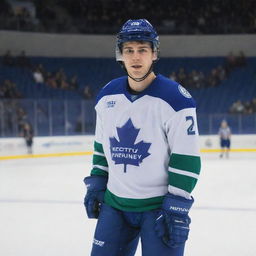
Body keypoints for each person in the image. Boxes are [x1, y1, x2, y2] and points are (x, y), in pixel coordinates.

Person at [83, 19, 201, 256]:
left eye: (142, 50)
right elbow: (100, 146)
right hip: (114, 206)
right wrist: (97, 182)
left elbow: (187, 158)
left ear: (154, 54)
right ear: (121, 55)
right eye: (129, 50)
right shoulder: (107, 96)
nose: (135, 57)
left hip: (158, 209)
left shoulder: (177, 100)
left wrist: (177, 207)